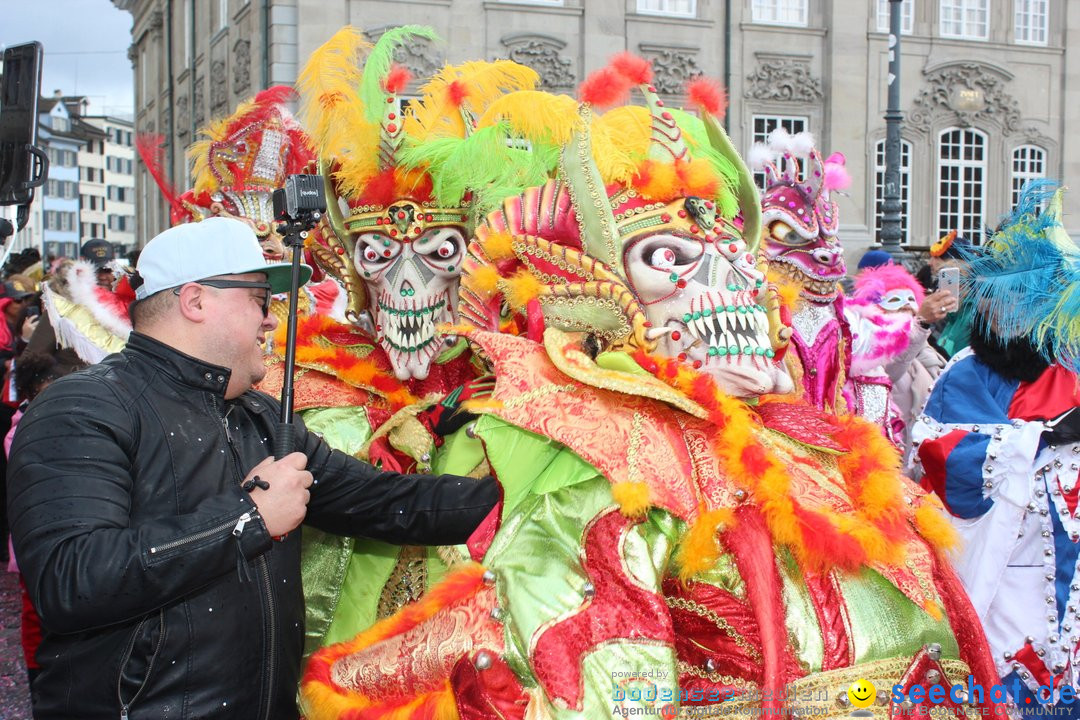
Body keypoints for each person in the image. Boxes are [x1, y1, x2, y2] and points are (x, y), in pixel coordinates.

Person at [299, 56, 1005, 720]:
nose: (723, 284)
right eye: (670, 260)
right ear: (607, 299)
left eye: (733, 258)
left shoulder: (816, 447)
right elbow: (592, 660)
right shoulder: (603, 453)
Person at [7, 216, 499, 720]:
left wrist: (534, 496)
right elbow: (72, 579)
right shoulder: (83, 408)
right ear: (195, 301)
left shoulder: (260, 417)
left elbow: (386, 502)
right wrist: (248, 519)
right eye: (260, 300)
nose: (270, 320)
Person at [912, 181, 1080, 716]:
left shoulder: (1071, 365)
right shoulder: (967, 372)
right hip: (1000, 563)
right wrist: (1043, 438)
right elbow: (939, 450)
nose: (1015, 319)